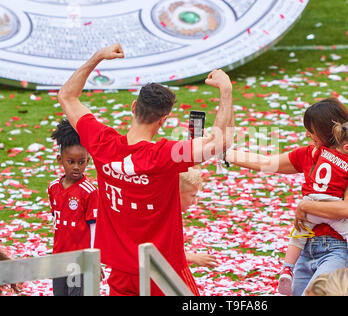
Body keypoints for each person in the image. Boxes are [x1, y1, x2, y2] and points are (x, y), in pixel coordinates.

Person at [57, 43, 234, 296]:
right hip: (162, 271)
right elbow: (220, 143)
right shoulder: (165, 155)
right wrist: (226, 90)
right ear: (163, 120)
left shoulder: (101, 142)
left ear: (132, 107)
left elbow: (66, 95)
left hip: (120, 271)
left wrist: (97, 57)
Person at [225, 97, 348, 296]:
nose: (308, 135)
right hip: (306, 247)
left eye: (312, 131)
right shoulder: (311, 154)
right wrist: (222, 154)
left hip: (337, 248)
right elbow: (266, 162)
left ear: (327, 131)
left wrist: (305, 206)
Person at [278, 120, 348, 295]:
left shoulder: (322, 152)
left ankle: (287, 269)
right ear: (347, 148)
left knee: (298, 234)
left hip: (311, 205)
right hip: (331, 209)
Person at [48, 119, 98, 296]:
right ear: (60, 160)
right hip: (58, 256)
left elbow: (94, 228)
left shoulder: (90, 192)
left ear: (88, 161)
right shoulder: (53, 187)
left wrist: (93, 259)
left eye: (82, 162)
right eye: (71, 162)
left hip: (78, 259)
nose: (77, 167)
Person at [180, 167, 218, 269]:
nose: (195, 201)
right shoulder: (162, 218)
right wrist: (192, 257)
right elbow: (158, 251)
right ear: (176, 193)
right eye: (192, 195)